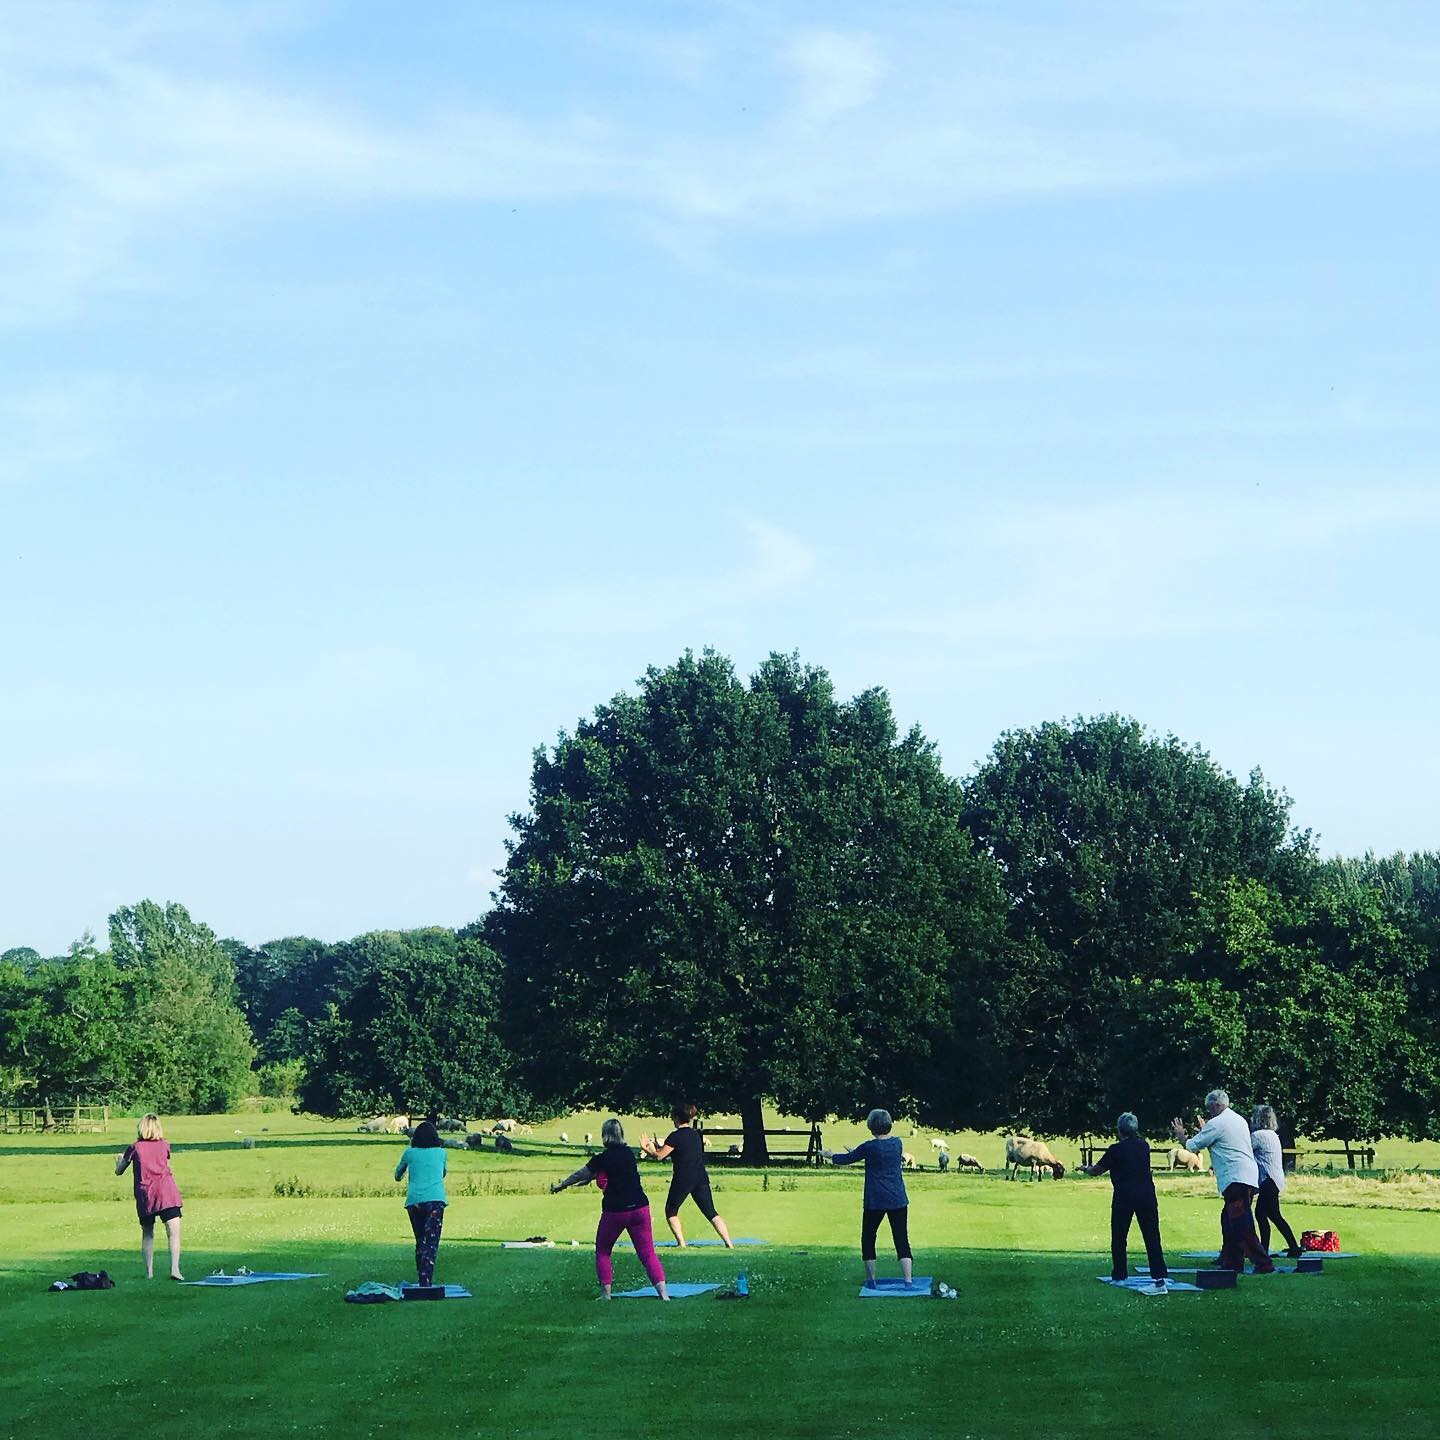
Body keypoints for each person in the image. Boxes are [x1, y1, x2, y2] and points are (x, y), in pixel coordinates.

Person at [551, 1118, 670, 1300]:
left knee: (603, 1251)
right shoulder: (629, 1154)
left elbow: (580, 1174)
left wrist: (563, 1185)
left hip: (615, 1211)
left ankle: (606, 1294)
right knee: (647, 1253)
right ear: (621, 1133)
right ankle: (664, 1294)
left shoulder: (602, 1159)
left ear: (604, 1136)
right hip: (640, 1207)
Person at [1172, 1089, 1275, 1273]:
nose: (1208, 1111)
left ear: (1215, 1105)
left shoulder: (1217, 1123)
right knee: (1229, 1220)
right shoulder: (1238, 1119)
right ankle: (1232, 1261)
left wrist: (1181, 1135)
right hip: (1247, 1176)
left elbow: (1192, 1146)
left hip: (1234, 1178)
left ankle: (1263, 1263)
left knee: (1240, 1223)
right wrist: (1205, 1130)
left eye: (1208, 1107)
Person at [1078, 1112, 1169, 1287]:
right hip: (1146, 1196)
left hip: (1124, 1196)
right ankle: (1158, 1272)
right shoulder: (1144, 1146)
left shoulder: (1115, 1149)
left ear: (1120, 1130)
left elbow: (1097, 1170)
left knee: (1119, 1237)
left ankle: (1120, 1273)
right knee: (1152, 1237)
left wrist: (1085, 1168)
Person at [829, 1108, 914, 1289]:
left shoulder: (869, 1147)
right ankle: (908, 1281)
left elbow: (847, 1159)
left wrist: (830, 1155)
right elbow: (880, 1157)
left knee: (868, 1238)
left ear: (871, 1126)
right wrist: (860, 1153)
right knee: (901, 1239)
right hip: (897, 1198)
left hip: (875, 1200)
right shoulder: (898, 1143)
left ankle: (871, 1281)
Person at [640, 1103, 734, 1249]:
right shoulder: (696, 1135)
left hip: (683, 1179)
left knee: (671, 1210)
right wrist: (654, 1148)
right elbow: (672, 1151)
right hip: (701, 1177)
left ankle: (681, 1243)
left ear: (677, 1118)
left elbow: (659, 1156)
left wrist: (646, 1148)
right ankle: (729, 1243)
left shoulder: (675, 1137)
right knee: (711, 1212)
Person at [114, 1113, 184, 1280]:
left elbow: (119, 1171)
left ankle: (149, 1272)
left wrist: (118, 1161)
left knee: (148, 1233)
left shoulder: (135, 1147)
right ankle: (175, 1269)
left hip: (146, 1194)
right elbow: (164, 1160)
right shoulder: (165, 1145)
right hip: (167, 1193)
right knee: (173, 1233)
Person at [394, 1120, 447, 1287]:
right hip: (435, 1201)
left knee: (420, 1241)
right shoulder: (441, 1153)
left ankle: (421, 1278)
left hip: (415, 1201)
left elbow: (397, 1175)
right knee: (431, 1242)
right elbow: (442, 1173)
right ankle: (426, 1281)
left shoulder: (410, 1153)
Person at [1250, 1105, 1301, 1257]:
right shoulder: (1273, 1135)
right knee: (1269, 1215)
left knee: (1267, 1214)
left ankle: (1268, 1250)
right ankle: (1290, 1247)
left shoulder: (1258, 1136)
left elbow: (1244, 1150)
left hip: (1268, 1180)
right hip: (1275, 1179)